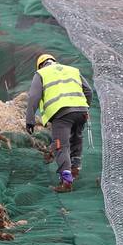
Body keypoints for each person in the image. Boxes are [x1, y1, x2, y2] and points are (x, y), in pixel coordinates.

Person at [25, 52, 93, 192]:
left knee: (61, 146)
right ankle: (75, 171)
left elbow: (33, 96)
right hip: (81, 111)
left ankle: (66, 182)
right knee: (76, 140)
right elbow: (88, 91)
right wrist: (84, 107)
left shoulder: (41, 74)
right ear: (54, 61)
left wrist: (30, 119)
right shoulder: (72, 70)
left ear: (40, 65)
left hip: (61, 113)